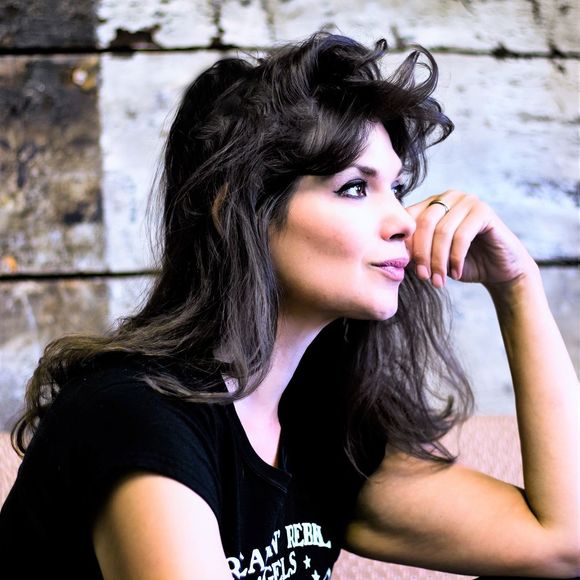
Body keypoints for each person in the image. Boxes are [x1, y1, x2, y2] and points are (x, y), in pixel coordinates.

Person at [0, 31, 578, 579]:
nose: (403, 221)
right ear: (238, 209)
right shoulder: (136, 414)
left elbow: (563, 545)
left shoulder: (316, 429)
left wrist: (517, 285)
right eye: (355, 187)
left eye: (398, 189)